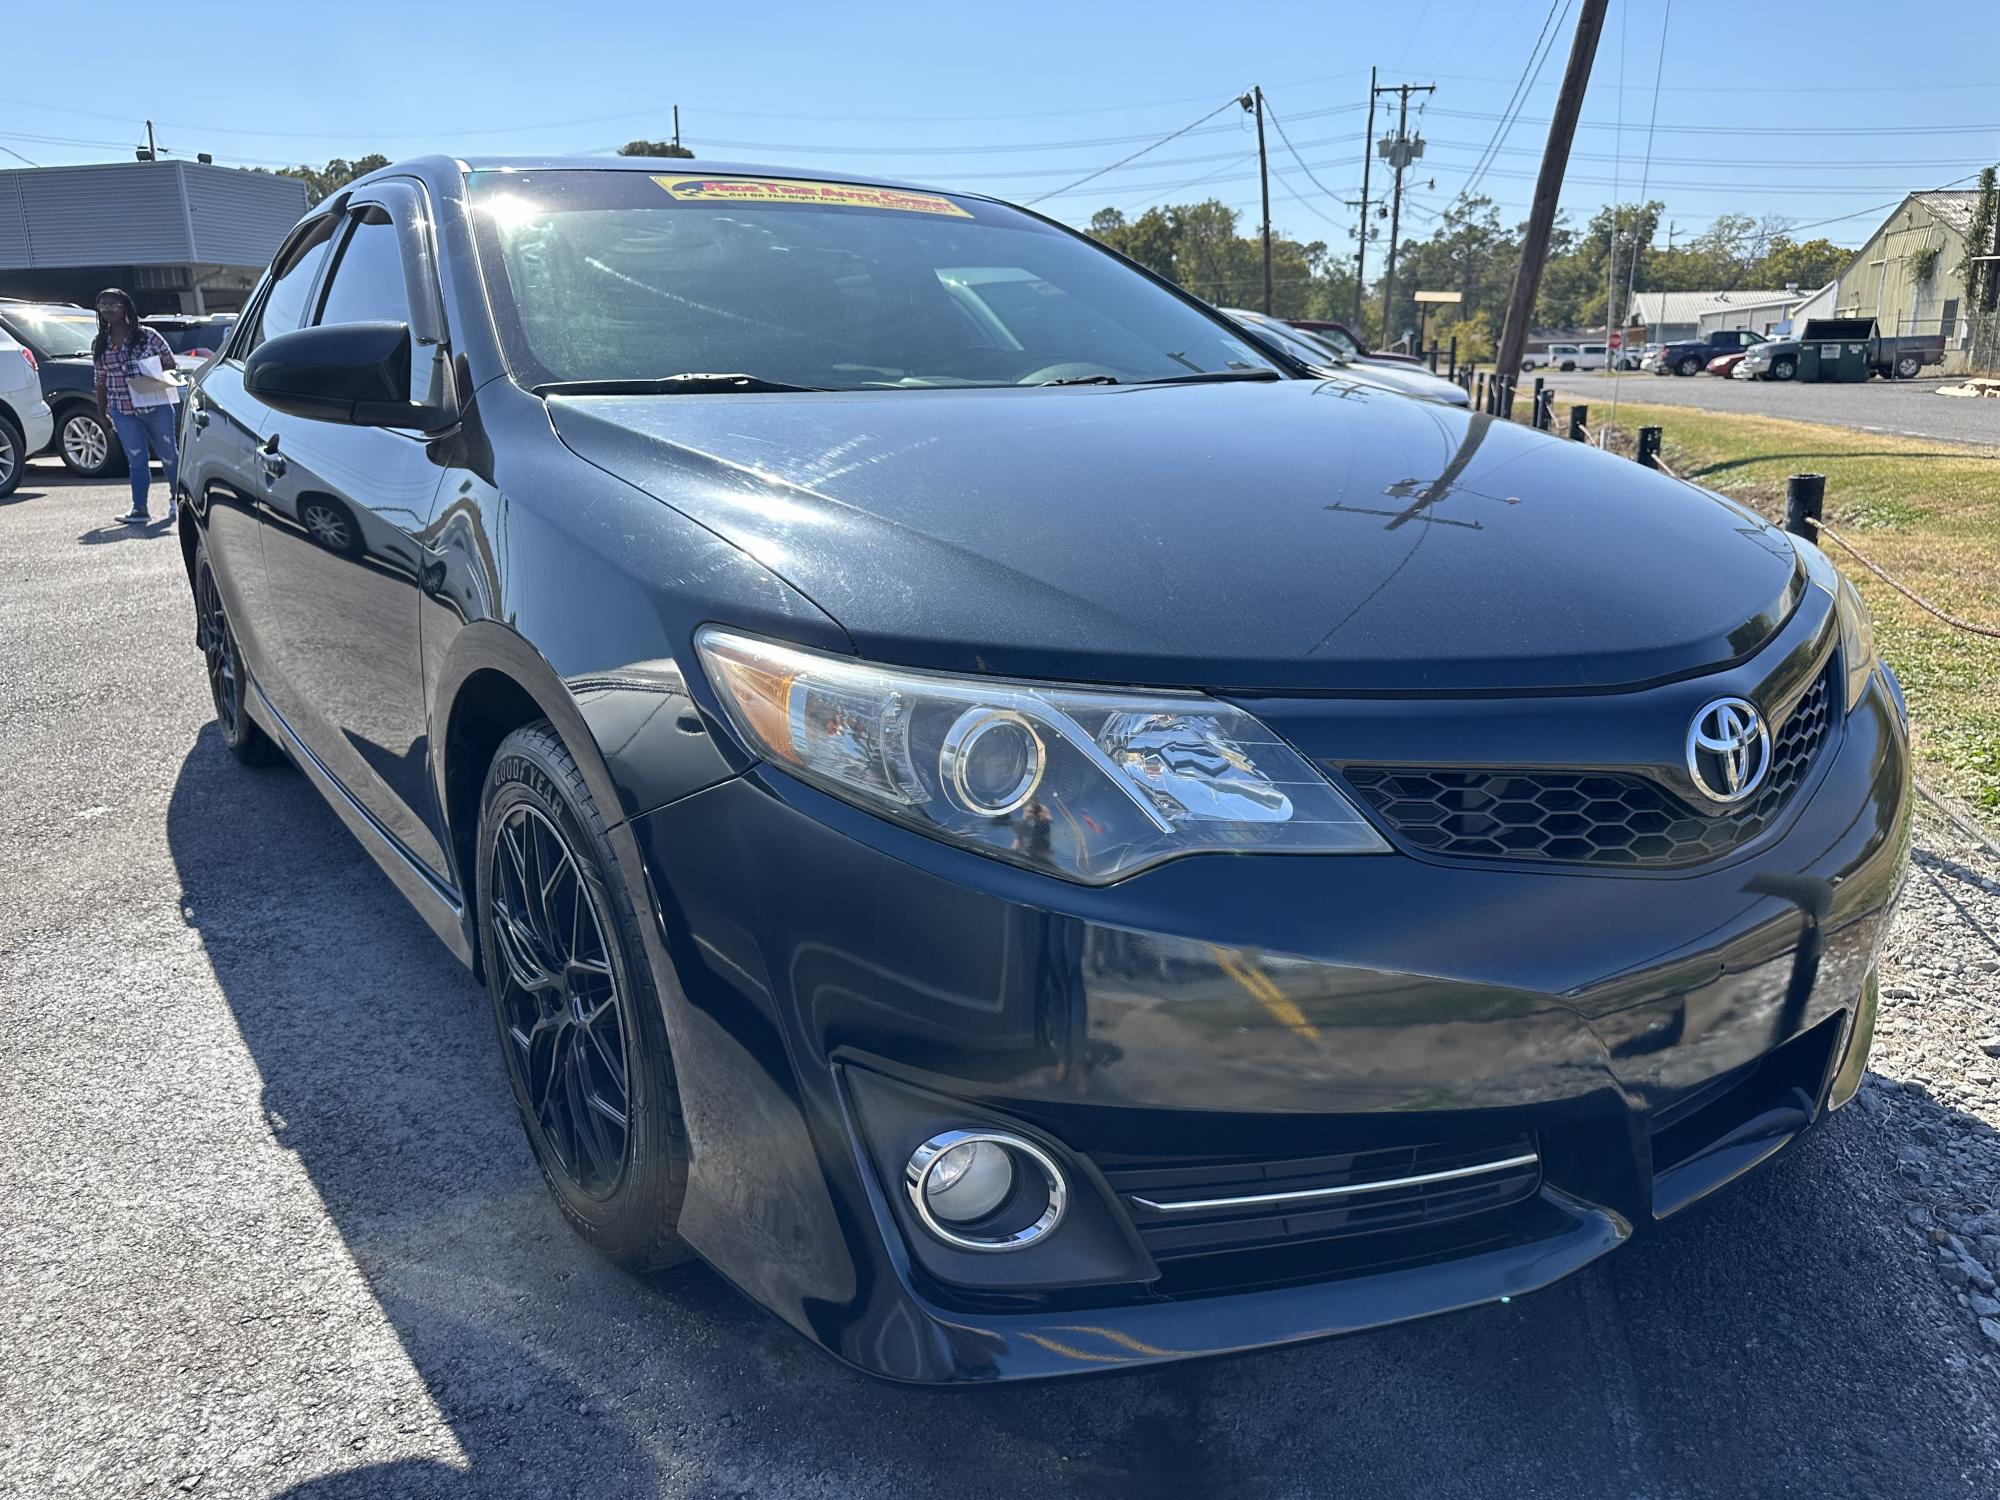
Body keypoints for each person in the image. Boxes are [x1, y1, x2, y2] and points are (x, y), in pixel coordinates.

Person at [91, 288, 180, 526]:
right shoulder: (100, 343)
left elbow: (172, 363)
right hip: (123, 410)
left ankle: (178, 500)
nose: (108, 309)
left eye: (113, 304)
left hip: (156, 405)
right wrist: (102, 412)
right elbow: (100, 380)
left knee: (169, 455)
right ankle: (139, 508)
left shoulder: (148, 336)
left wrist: (150, 370)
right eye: (103, 305)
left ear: (125, 306)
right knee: (136, 459)